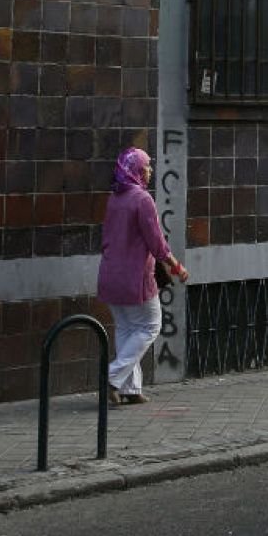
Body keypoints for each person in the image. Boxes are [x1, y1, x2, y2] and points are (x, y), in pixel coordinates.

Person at [97, 146, 186, 405]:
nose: (149, 171)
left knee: (126, 328)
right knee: (150, 325)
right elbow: (157, 244)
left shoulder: (114, 198)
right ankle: (112, 377)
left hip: (110, 274)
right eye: (146, 166)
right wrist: (177, 267)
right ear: (135, 170)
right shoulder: (142, 199)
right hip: (134, 277)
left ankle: (130, 388)